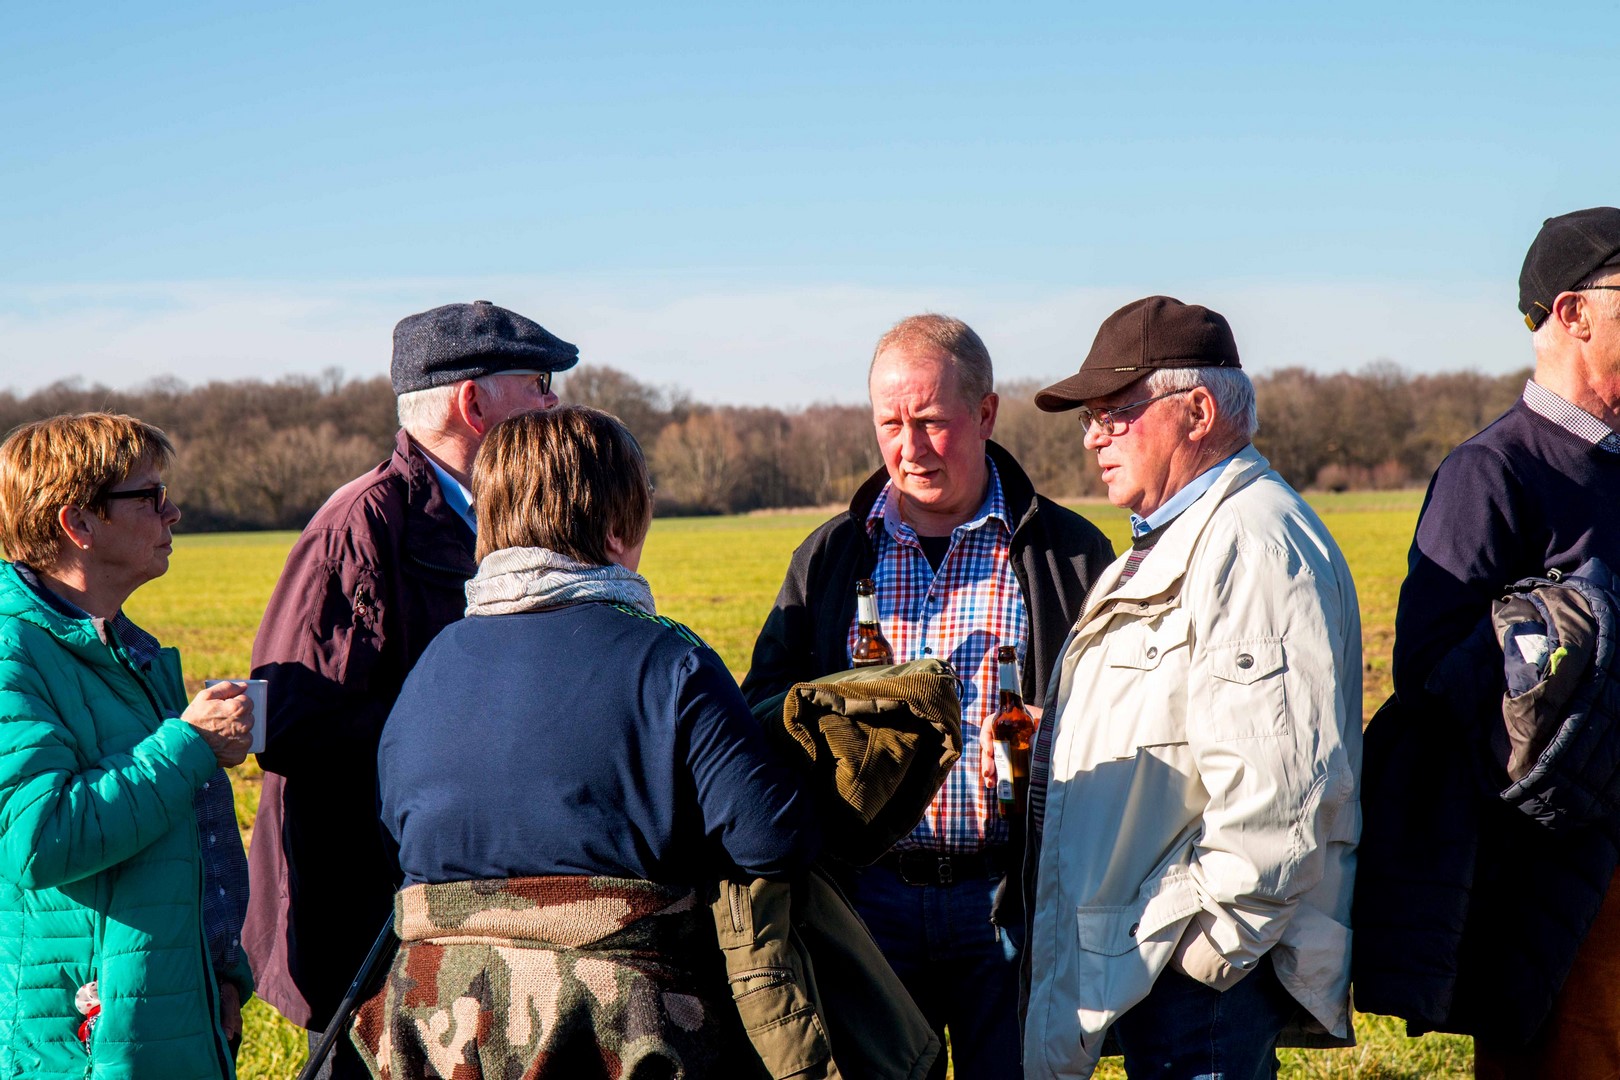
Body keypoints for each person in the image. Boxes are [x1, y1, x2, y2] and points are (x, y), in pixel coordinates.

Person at [359, 405, 817, 1078]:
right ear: (616, 526)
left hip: (436, 1034)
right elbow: (774, 841)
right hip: (620, 1035)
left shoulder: (432, 664)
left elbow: (398, 836)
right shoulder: (670, 658)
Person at [742, 313, 1115, 1080]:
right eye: (891, 423)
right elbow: (764, 713)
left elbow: (1131, 721)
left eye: (933, 422)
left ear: (985, 414)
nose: (910, 448)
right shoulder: (830, 557)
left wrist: (1068, 735)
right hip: (867, 905)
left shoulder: (1070, 554)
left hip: (1010, 902)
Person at [1022, 296, 1361, 1080]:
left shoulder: (1251, 542)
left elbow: (1283, 794)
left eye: (1116, 413)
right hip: (1166, 966)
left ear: (1199, 410)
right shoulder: (1182, 536)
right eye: (1089, 420)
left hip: (1202, 983)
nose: (1095, 438)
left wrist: (1204, 955)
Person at [242, 300, 576, 1078]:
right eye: (538, 383)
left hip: (458, 901)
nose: (555, 403)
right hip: (368, 916)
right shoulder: (359, 527)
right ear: (473, 403)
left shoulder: (504, 518)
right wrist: (460, 728)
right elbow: (290, 720)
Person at [1357, 207, 1620, 1077]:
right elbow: (1431, 684)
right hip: (1559, 892)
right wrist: (1573, 669)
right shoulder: (1494, 471)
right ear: (1572, 312)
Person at [0, 412, 254, 1078]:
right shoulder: (11, 653)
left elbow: (176, 835)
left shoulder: (121, 649)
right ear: (77, 523)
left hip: (161, 1022)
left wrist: (219, 969)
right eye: (148, 497)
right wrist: (189, 742)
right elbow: (39, 838)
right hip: (84, 1046)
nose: (172, 513)